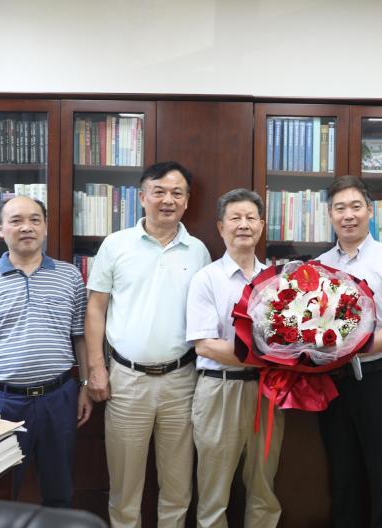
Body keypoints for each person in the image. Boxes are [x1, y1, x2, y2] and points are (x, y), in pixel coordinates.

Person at [84, 161, 211, 528]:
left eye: (176, 193)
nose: (167, 200)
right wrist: (96, 368)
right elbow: (96, 308)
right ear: (142, 198)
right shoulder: (116, 245)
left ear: (187, 201)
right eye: (159, 192)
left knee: (178, 486)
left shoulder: (198, 251)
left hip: (182, 381)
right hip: (126, 380)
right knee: (125, 488)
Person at [0, 195, 92, 507]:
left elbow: (80, 337)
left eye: (34, 219)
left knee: (60, 491)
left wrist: (84, 386)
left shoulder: (69, 276)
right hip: (0, 400)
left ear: (45, 227)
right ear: (0, 228)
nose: (26, 227)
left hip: (59, 397)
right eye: (16, 221)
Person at [316, 175, 382, 528]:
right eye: (339, 208)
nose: (348, 215)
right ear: (329, 214)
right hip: (331, 382)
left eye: (356, 207)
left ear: (370, 211)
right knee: (342, 474)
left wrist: (354, 347)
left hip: (379, 378)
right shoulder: (319, 265)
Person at [186, 188, 284, 528]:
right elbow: (205, 346)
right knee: (214, 493)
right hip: (220, 391)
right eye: (235, 218)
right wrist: (270, 358)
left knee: (264, 488)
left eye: (251, 218)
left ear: (261, 225)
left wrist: (285, 357)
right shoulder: (206, 279)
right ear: (220, 227)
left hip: (267, 393)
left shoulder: (278, 281)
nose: (244, 224)